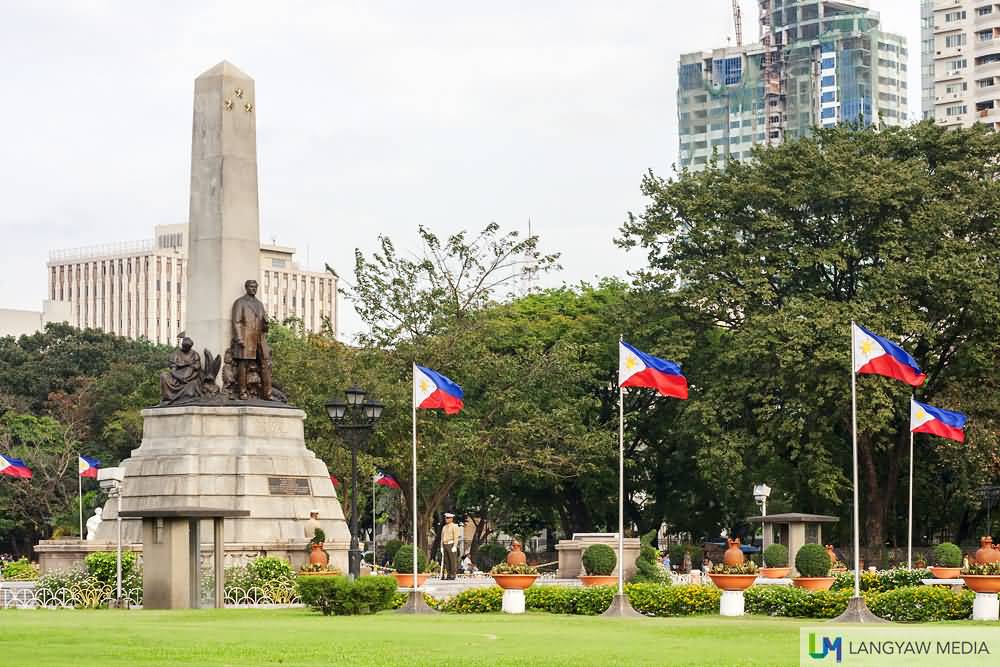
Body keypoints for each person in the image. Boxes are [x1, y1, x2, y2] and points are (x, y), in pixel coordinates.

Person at [231, 279, 272, 400]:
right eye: (251, 287)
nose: (254, 289)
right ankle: (242, 392)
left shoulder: (259, 304)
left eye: (255, 287)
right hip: (246, 337)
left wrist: (266, 324)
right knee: (243, 364)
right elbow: (236, 321)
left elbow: (264, 326)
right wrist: (239, 338)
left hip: (260, 338)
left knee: (266, 364)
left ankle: (267, 394)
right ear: (246, 287)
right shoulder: (240, 302)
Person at [441, 512, 461, 580]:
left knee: (452, 561)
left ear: (451, 519)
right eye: (445, 518)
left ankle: (453, 575)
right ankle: (449, 574)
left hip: (451, 544)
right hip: (445, 544)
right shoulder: (444, 527)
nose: (446, 519)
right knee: (447, 561)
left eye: (448, 518)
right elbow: (442, 538)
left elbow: (456, 537)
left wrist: (455, 546)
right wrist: (441, 546)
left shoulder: (455, 526)